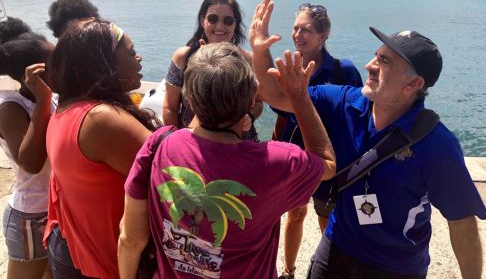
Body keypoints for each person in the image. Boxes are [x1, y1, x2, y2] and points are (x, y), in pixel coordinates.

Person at [250, 0, 486, 279]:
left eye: (384, 61)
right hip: (336, 248)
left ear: (414, 83)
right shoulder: (343, 103)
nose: (370, 65)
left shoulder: (437, 145)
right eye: (376, 55)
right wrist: (259, 50)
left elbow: (461, 220)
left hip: (397, 266)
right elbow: (276, 96)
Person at [119, 42, 336, 278]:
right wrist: (299, 96)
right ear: (253, 98)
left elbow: (131, 239)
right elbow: (327, 163)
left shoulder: (159, 144)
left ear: (189, 99)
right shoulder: (277, 162)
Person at [44, 18, 161, 278]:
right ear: (105, 64)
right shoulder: (101, 119)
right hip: (110, 262)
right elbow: (172, 174)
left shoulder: (67, 108)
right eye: (130, 52)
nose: (139, 57)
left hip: (76, 250)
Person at [276, 3, 363, 279]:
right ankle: (289, 271)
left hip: (330, 157)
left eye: (306, 30)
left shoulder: (343, 71)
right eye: (295, 28)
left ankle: (333, 269)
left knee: (327, 218)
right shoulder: (290, 66)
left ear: (324, 35)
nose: (297, 35)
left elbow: (359, 113)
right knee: (295, 214)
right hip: (296, 152)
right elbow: (280, 111)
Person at [162, 0, 263, 137]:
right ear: (203, 20)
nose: (220, 26)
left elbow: (258, 102)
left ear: (235, 23)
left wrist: (251, 116)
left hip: (239, 145)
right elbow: (170, 107)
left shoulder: (248, 60)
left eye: (227, 20)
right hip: (194, 145)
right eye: (213, 19)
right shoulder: (184, 57)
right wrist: (177, 143)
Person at [0, 17, 55, 279]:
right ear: (35, 73)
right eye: (58, 62)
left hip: (53, 210)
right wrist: (44, 98)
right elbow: (31, 163)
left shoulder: (53, 100)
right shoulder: (11, 108)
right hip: (30, 216)